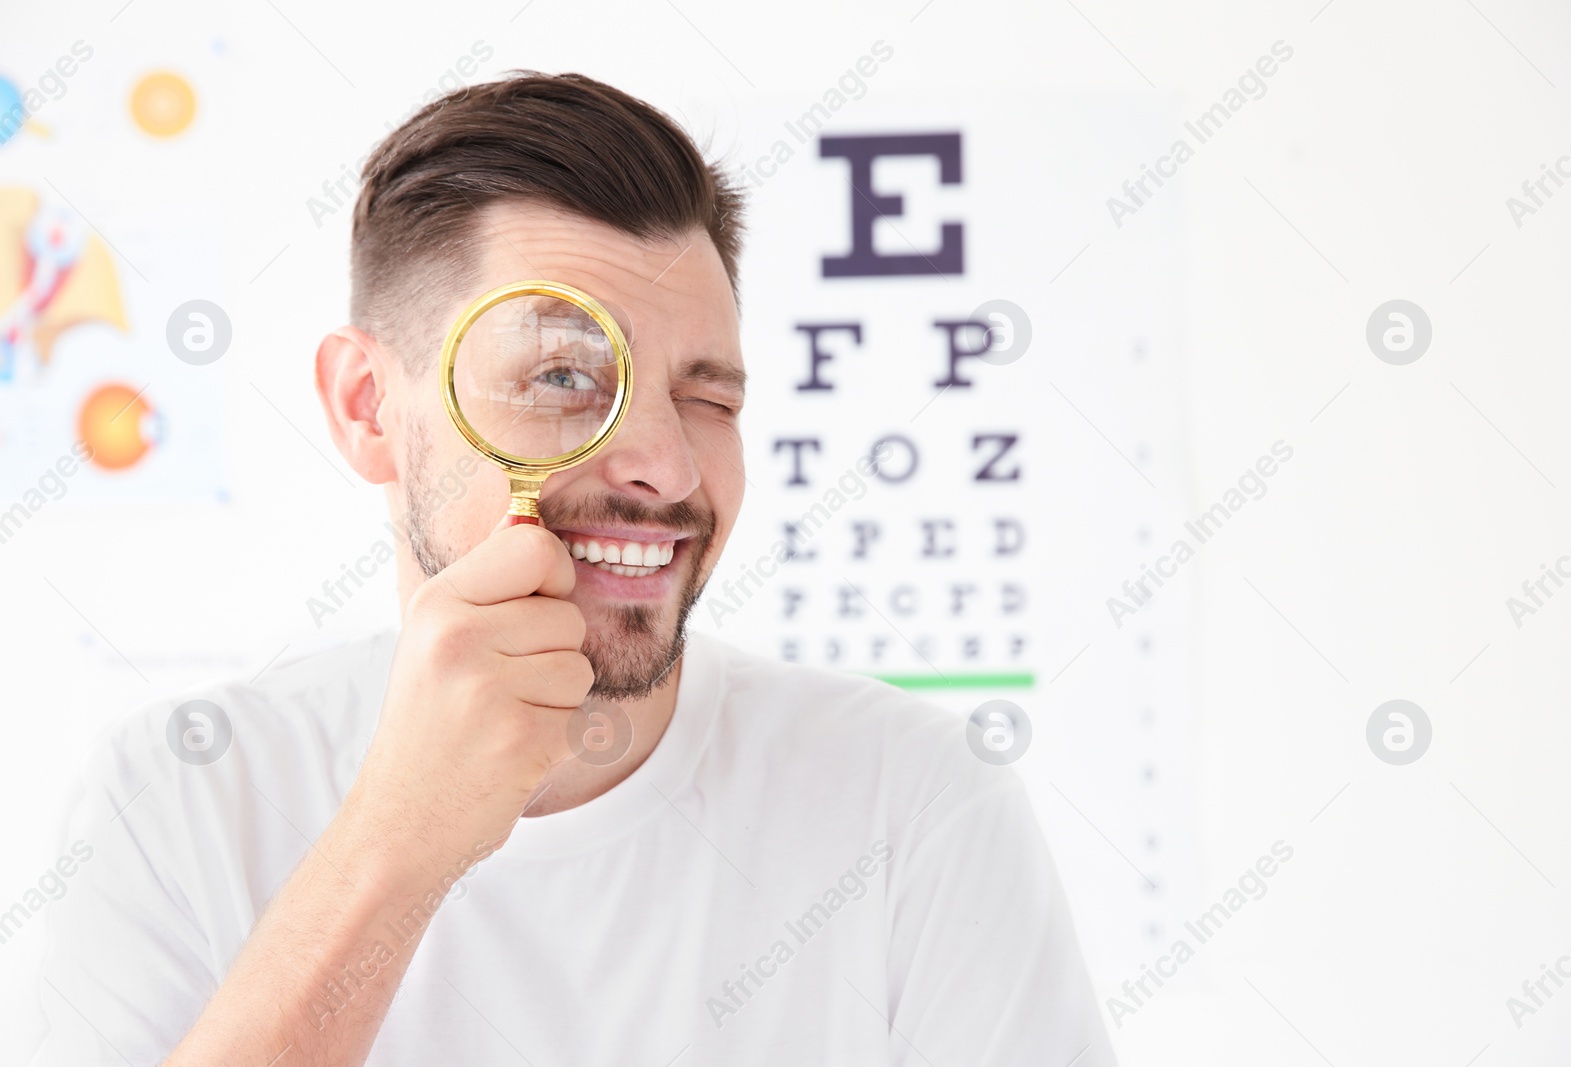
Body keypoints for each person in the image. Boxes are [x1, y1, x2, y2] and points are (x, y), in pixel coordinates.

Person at [22, 71, 1113, 1065]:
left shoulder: (913, 801)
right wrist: (400, 839)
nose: (665, 467)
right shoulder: (178, 801)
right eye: (561, 376)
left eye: (709, 397)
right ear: (369, 409)